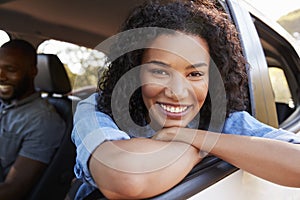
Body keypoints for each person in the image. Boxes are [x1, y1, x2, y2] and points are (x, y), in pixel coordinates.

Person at [71, 0, 300, 199]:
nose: (178, 92)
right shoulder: (98, 109)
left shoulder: (226, 121)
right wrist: (204, 146)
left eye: (195, 74)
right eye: (159, 72)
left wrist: (186, 136)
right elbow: (127, 180)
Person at [0, 39, 65, 199]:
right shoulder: (5, 103)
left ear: (32, 72)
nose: (1, 76)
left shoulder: (44, 121)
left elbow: (13, 189)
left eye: (10, 69)